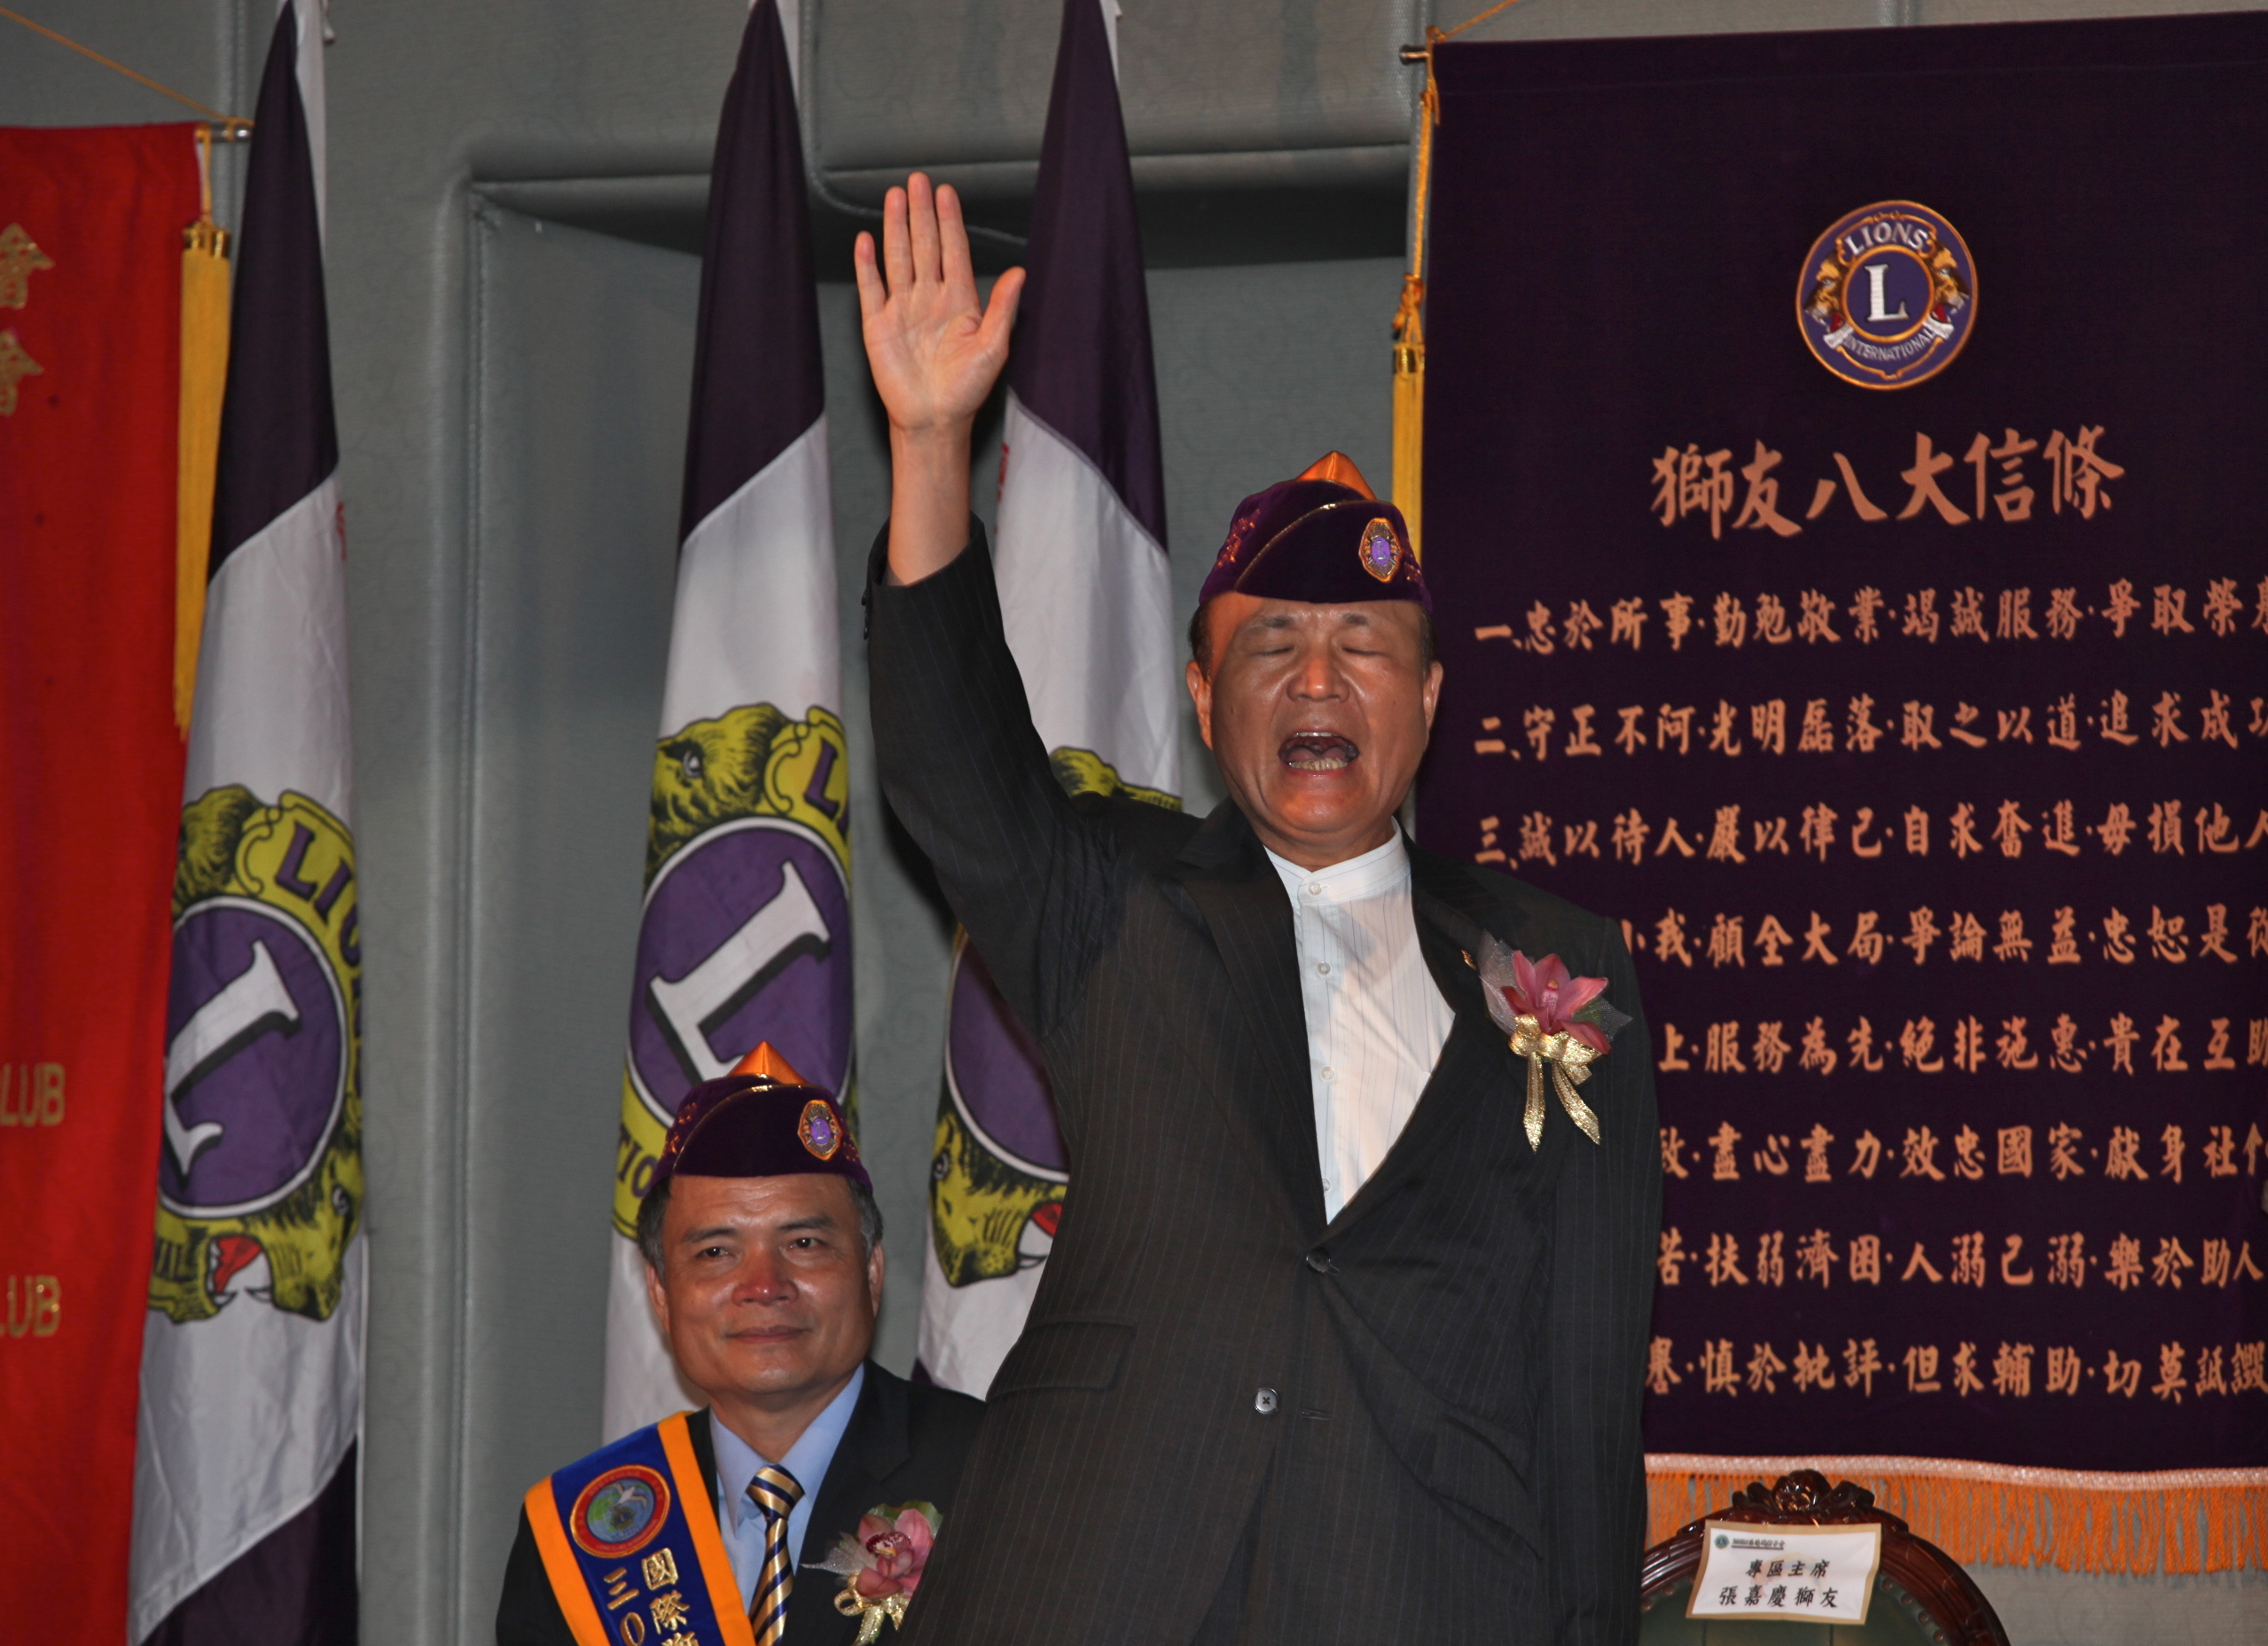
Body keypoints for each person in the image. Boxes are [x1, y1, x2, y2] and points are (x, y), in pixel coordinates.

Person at [856, 174, 1662, 1644]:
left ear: (1428, 700)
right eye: (1271, 643)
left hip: (1413, 1589)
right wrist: (925, 444)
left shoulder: (1562, 968)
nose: (1316, 678)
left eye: (1363, 645)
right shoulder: (1111, 897)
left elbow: (1586, 1378)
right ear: (1199, 694)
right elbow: (952, 763)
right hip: (1103, 1584)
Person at [497, 1046, 981, 1646]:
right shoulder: (576, 1534)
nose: (764, 1285)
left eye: (803, 1243)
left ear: (872, 1273)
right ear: (661, 1293)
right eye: (716, 1253)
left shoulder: (997, 1471)